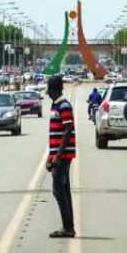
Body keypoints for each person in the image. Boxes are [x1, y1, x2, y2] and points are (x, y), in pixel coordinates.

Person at [46, 75, 76, 238]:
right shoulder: (56, 105)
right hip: (58, 154)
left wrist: (58, 156)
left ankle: (68, 227)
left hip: (63, 155)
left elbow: (67, 130)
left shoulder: (64, 106)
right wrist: (49, 157)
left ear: (55, 90)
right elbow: (54, 135)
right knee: (64, 190)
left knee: (59, 191)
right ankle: (68, 226)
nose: (48, 93)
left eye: (50, 90)